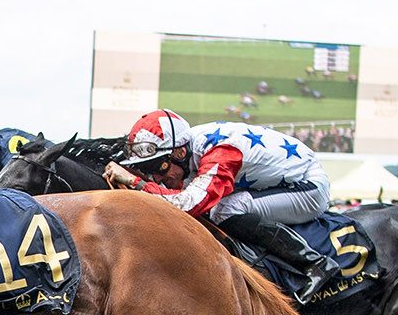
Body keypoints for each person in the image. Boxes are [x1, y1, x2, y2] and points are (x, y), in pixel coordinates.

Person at [102, 109, 340, 304]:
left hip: (309, 188)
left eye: (159, 168)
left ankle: (315, 263)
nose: (157, 178)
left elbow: (187, 205)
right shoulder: (185, 147)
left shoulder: (221, 152)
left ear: (180, 151)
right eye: (149, 170)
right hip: (275, 182)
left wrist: (136, 182)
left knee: (223, 209)